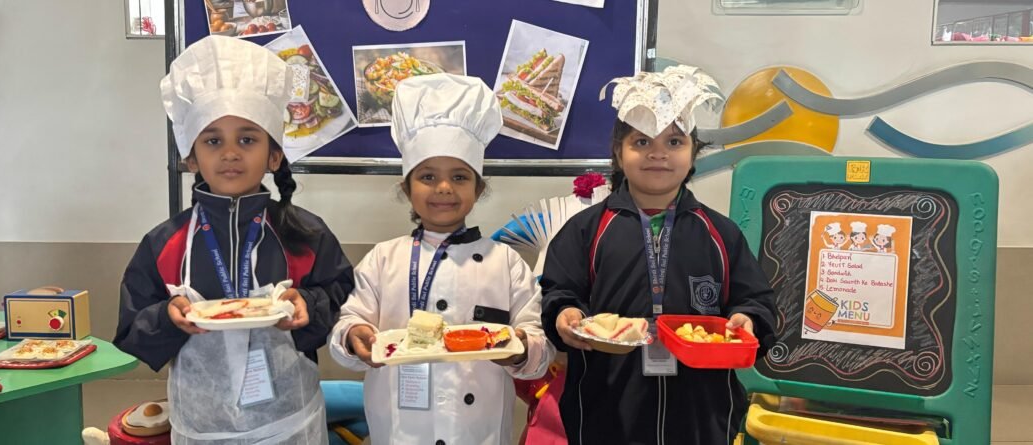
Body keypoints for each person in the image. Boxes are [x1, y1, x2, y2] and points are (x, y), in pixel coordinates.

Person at [114, 36, 354, 444]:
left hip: (289, 425)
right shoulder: (165, 244)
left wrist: (307, 305)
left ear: (273, 155)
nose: (230, 153)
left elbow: (343, 300)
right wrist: (168, 317)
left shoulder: (305, 235)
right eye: (213, 141)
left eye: (247, 139)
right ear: (191, 158)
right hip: (201, 429)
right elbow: (131, 330)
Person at [540, 66, 778, 444]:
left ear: (693, 152)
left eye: (674, 141)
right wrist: (564, 315)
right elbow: (560, 292)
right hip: (607, 411)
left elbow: (756, 300)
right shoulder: (586, 230)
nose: (657, 153)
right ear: (618, 152)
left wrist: (746, 319)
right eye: (641, 141)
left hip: (701, 414)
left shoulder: (720, 234)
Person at [329, 73, 555, 445]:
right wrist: (355, 336)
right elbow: (348, 323)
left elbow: (539, 348)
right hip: (400, 432)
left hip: (478, 433)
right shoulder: (383, 259)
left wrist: (519, 349)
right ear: (407, 187)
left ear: (479, 188)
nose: (444, 188)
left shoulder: (506, 263)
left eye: (460, 177)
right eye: (428, 176)